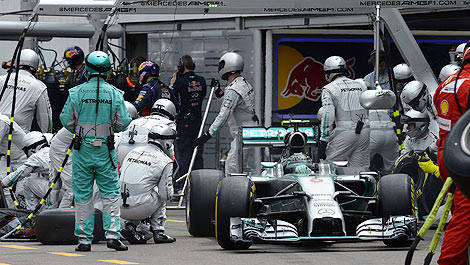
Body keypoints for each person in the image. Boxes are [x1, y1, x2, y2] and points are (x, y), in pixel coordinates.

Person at [60, 51, 132, 252]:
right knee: (110, 193)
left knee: (82, 194)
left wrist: (80, 129)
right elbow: (123, 122)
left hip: (82, 149)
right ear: (108, 70)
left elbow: (66, 120)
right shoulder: (116, 94)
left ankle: (83, 239)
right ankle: (112, 236)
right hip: (106, 150)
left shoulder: (76, 92)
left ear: (88, 69)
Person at [433, 44, 470, 265]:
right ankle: (448, 261)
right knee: (466, 216)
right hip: (464, 155)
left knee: (459, 212)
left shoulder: (448, 82)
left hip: (446, 152)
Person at [194, 52, 258, 176]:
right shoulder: (243, 83)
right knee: (240, 167)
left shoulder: (234, 89)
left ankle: (234, 194)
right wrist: (218, 91)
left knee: (232, 168)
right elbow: (231, 103)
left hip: (243, 135)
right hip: (248, 133)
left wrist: (208, 134)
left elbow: (224, 114)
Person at [120, 124, 176, 244]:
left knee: (140, 189)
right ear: (167, 142)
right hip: (140, 208)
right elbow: (166, 194)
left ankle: (132, 226)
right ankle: (159, 232)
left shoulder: (132, 152)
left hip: (120, 207)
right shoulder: (164, 161)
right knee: (160, 193)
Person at [318, 55, 370, 168]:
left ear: (328, 73)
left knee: (327, 168)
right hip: (364, 131)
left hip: (344, 132)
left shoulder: (329, 88)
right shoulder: (361, 85)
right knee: (359, 172)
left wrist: (323, 139)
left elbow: (328, 115)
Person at [171, 55, 206, 191]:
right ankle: (199, 187)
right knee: (197, 155)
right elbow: (201, 96)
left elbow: (171, 98)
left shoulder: (180, 83)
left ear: (181, 67)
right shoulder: (201, 81)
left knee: (183, 156)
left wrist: (173, 84)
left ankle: (182, 186)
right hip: (198, 122)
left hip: (184, 122)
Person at [0, 49, 52, 133]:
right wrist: (47, 136)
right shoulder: (38, 87)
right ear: (35, 66)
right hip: (18, 136)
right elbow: (45, 118)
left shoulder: (2, 79)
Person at [364, 50, 399, 174]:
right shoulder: (367, 79)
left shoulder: (393, 76)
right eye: (377, 64)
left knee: (392, 164)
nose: (380, 67)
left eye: (382, 64)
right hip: (373, 123)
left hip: (391, 120)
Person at [115, 99, 176, 166]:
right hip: (143, 156)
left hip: (121, 153)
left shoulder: (137, 120)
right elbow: (168, 147)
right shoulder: (169, 124)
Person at [1, 131, 50, 211]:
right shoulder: (52, 150)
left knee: (28, 183)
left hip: (57, 192)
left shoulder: (37, 157)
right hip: (69, 192)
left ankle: (32, 213)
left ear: (32, 148)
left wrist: (3, 183)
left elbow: (20, 173)